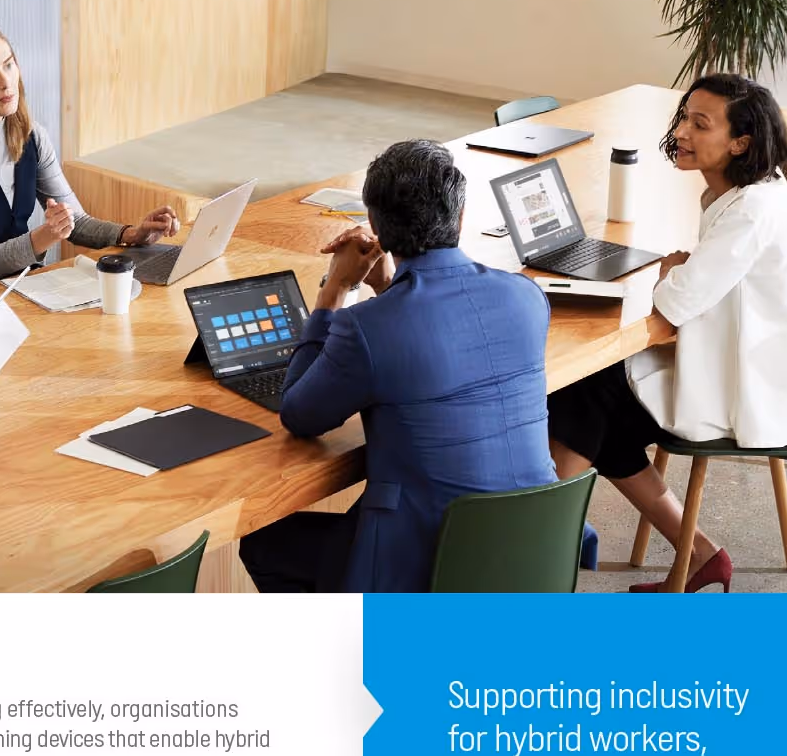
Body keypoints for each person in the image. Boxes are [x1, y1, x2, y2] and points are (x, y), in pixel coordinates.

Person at [238, 139, 555, 593]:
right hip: (534, 545)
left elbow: (300, 415)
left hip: (429, 564)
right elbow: (441, 343)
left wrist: (333, 292)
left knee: (264, 543)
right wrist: (388, 288)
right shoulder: (527, 296)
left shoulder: (365, 328)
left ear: (375, 226)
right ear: (460, 216)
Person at [548, 73, 787, 592]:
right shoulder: (742, 192)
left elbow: (675, 304)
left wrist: (671, 273)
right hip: (746, 360)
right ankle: (697, 554)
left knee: (581, 395)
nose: (682, 133)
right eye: (684, 118)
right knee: (597, 412)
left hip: (754, 388)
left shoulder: (751, 210)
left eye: (700, 123)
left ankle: (538, 554)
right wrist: (679, 274)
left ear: (740, 143)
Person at [0, 21, 178, 306]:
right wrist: (48, 234)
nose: (6, 82)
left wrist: (133, 234)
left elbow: (77, 223)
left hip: (19, 292)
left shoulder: (31, 136)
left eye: (9, 65)